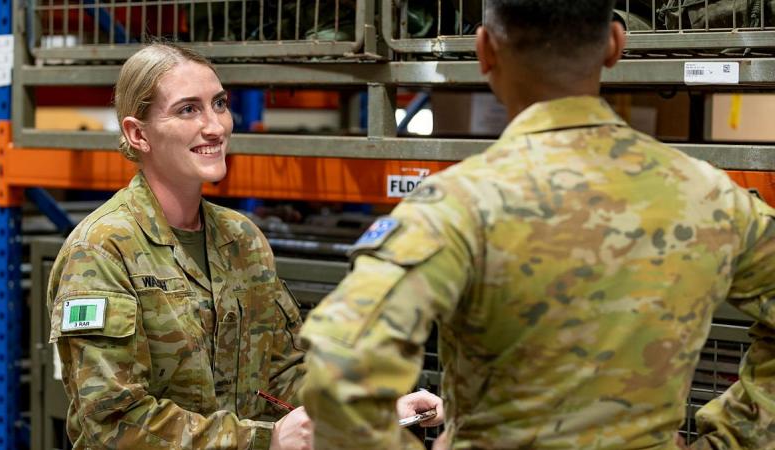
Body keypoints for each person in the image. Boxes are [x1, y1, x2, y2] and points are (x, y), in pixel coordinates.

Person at [297, 1, 775, 449]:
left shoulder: (458, 205)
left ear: (485, 50)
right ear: (614, 44)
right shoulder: (710, 197)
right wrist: (735, 436)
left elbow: (342, 366)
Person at [46, 43, 441, 450]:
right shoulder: (101, 250)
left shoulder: (241, 238)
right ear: (137, 133)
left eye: (219, 104)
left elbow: (282, 373)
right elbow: (113, 423)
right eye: (188, 109)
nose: (215, 126)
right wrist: (261, 439)